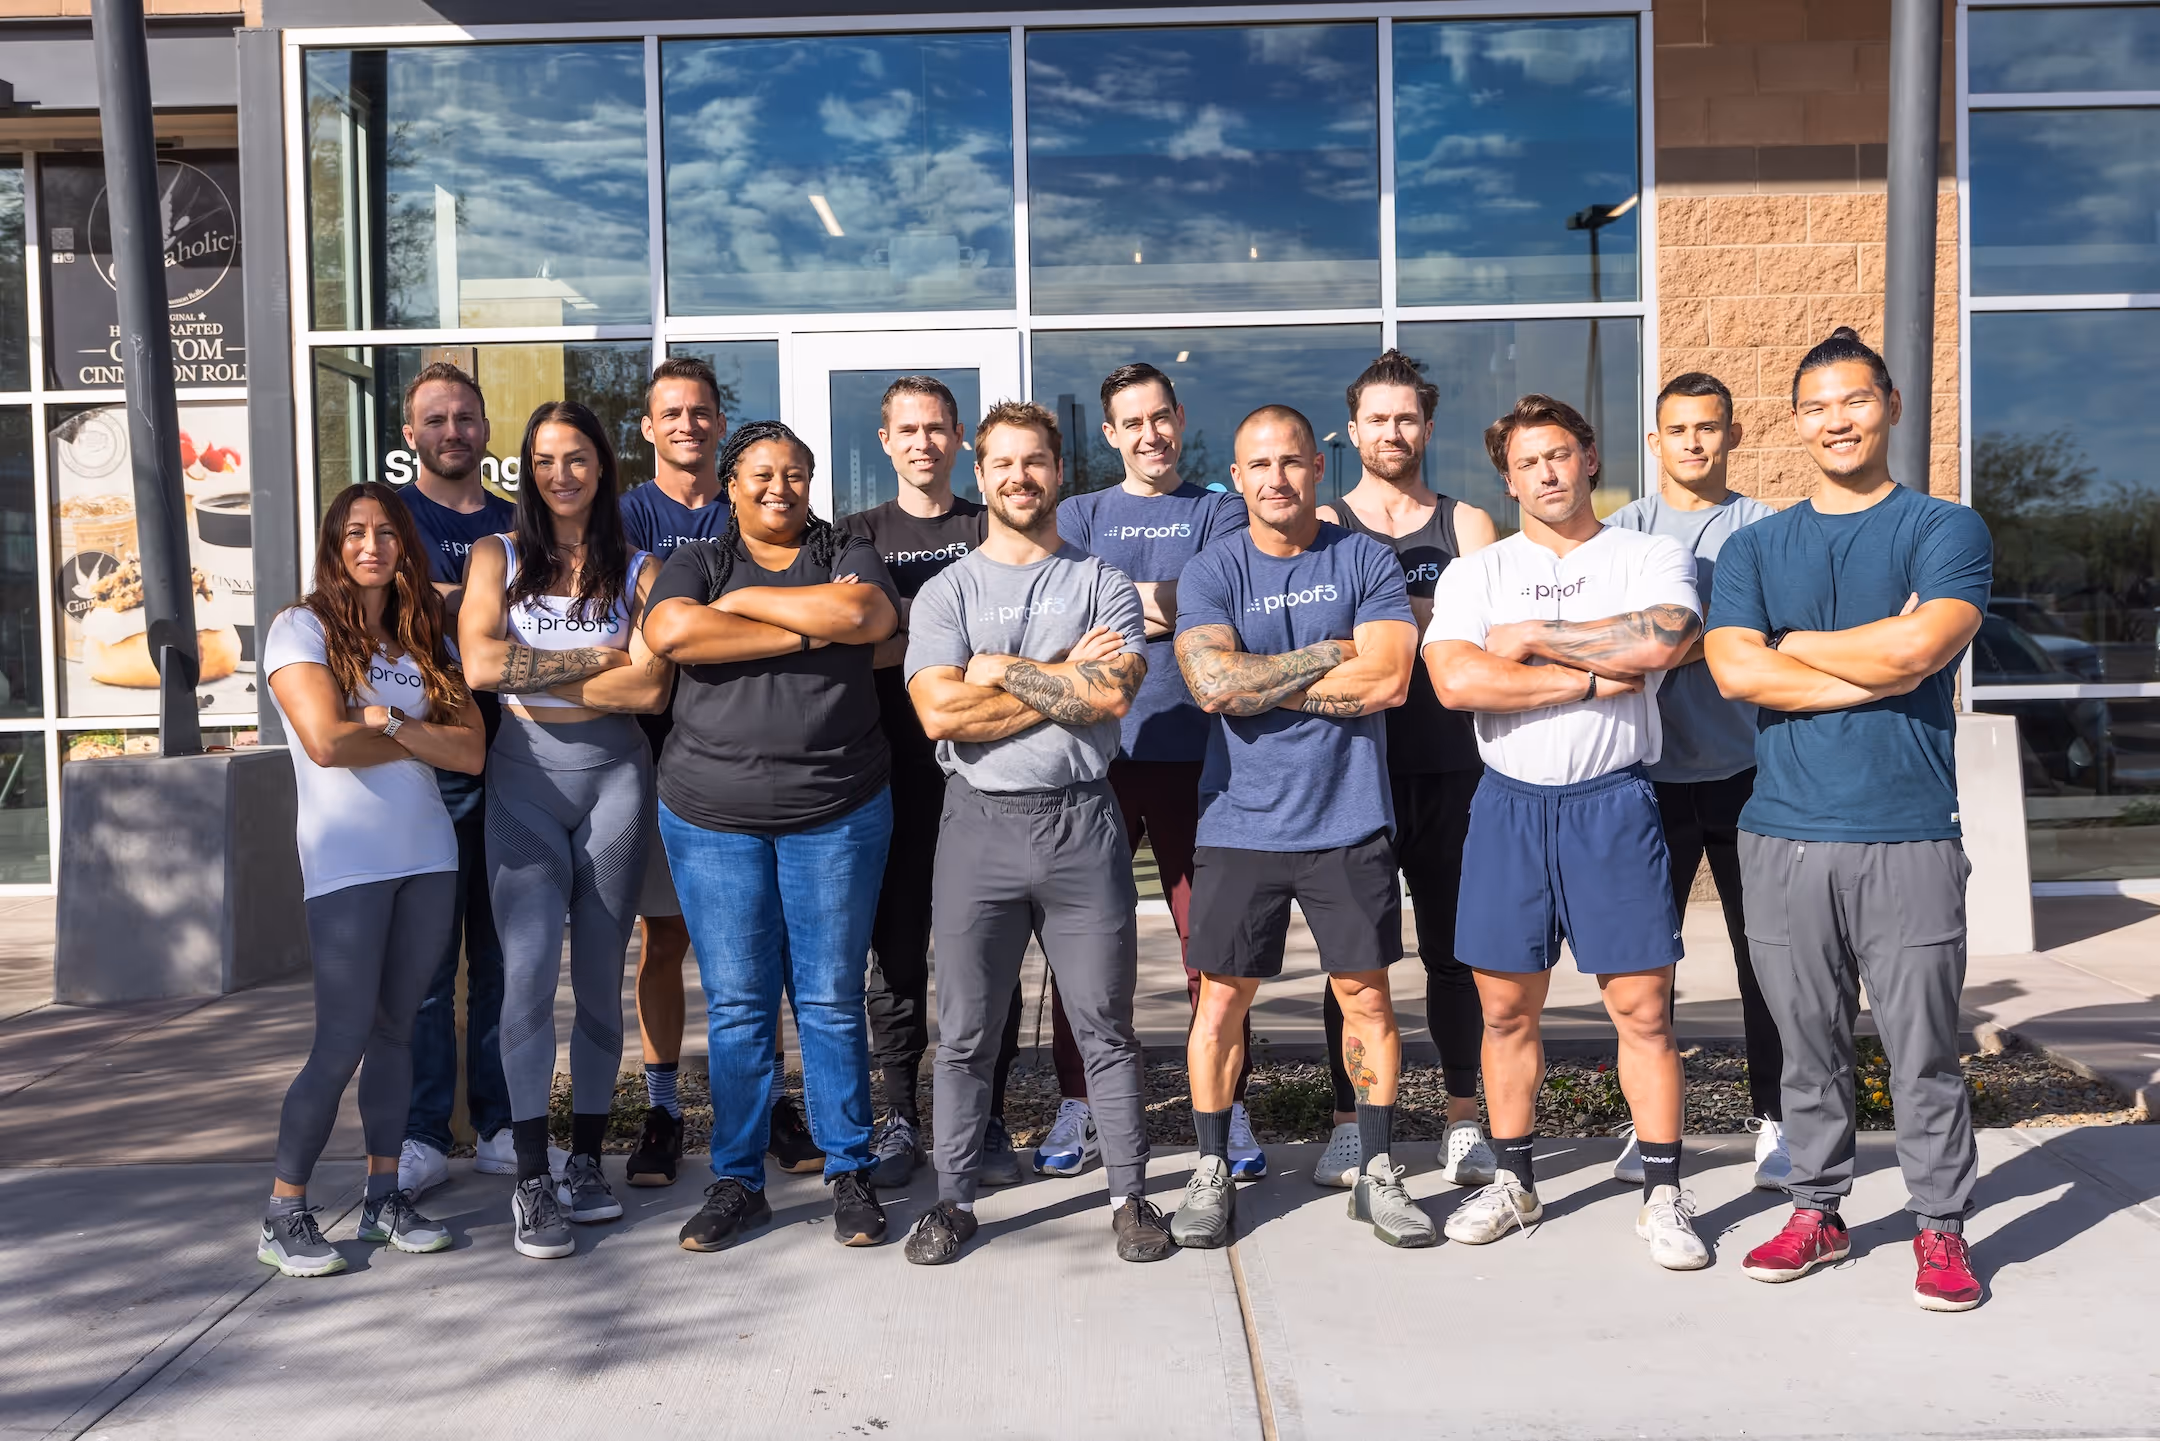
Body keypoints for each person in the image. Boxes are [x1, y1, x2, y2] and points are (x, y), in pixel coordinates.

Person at [1706, 328, 1992, 1312]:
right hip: (1781, 833)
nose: (1837, 419)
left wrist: (1798, 650)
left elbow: (1925, 651)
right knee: (1807, 1048)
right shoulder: (1752, 546)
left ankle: (1941, 1230)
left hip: (1907, 830)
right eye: (1818, 406)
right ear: (1797, 422)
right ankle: (1818, 1209)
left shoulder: (1946, 529)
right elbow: (1736, 670)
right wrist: (1874, 654)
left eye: (1855, 400)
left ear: (1892, 406)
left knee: (1922, 1052)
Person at [1422, 393, 1710, 1271]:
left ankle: (1663, 1192)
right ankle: (1513, 1180)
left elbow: (1663, 639)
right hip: (1509, 803)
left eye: (1560, 454)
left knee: (1643, 1011)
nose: (1546, 471)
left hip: (1612, 802)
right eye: (1527, 461)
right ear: (1507, 478)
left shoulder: (1648, 552)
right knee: (1505, 1008)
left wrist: (1531, 639)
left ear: (1589, 457)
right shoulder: (1476, 572)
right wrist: (1589, 676)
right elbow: (1457, 681)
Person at [901, 399, 1173, 1266]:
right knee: (968, 1029)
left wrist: (1001, 672)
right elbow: (938, 709)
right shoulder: (949, 590)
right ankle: (953, 1201)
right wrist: (1063, 676)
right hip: (978, 825)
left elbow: (1111, 696)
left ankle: (1130, 1195)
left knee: (1105, 1022)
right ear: (981, 477)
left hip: (1081, 821)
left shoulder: (1103, 582)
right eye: (1004, 464)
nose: (1020, 477)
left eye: (1036, 462)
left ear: (1060, 473)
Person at [1168, 404, 1427, 1252]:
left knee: (1367, 1001)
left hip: (1346, 821)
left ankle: (1376, 1169)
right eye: (1258, 465)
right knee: (1221, 1007)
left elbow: (1388, 681)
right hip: (1239, 824)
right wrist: (1328, 652)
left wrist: (1259, 678)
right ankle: (1210, 1171)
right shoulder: (1212, 569)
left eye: (1291, 461)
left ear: (1318, 466)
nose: (1276, 478)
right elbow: (1210, 684)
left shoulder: (1364, 558)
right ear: (1236, 477)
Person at [643, 420, 900, 1254]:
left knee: (828, 998)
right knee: (740, 1006)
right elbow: (673, 632)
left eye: (794, 473)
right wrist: (811, 630)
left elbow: (867, 611)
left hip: (838, 806)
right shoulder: (699, 559)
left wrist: (747, 608)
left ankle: (848, 1168)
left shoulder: (845, 546)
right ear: (730, 485)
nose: (778, 487)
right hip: (713, 815)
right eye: (760, 474)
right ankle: (737, 1179)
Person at [258, 482, 485, 1276]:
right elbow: (324, 741)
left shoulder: (426, 635)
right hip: (347, 858)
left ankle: (385, 1197)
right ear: (333, 542)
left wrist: (384, 722)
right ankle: (285, 1209)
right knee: (342, 1038)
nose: (371, 546)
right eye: (355, 532)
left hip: (428, 852)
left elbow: (472, 751)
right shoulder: (301, 626)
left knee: (397, 1033)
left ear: (405, 545)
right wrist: (416, 733)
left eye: (386, 533)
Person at [461, 402, 671, 1260]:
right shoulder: (496, 555)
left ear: (602, 467)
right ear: (526, 469)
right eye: (545, 460)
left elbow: (653, 688)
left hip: (618, 781)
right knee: (523, 981)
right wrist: (596, 660)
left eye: (577, 458)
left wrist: (537, 673)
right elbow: (479, 664)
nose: (561, 474)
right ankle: (531, 1176)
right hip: (525, 787)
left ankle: (586, 1159)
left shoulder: (642, 566)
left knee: (596, 981)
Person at [1048, 362, 1258, 1178]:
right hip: (1097, 759)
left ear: (1179, 416)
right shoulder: (1078, 511)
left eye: (1160, 417)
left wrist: (1113, 604)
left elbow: (1219, 606)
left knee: (1212, 943)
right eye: (1131, 423)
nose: (1150, 434)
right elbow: (1058, 613)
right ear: (1110, 434)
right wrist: (1164, 603)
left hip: (1204, 762)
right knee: (1086, 943)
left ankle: (1227, 1109)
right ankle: (1080, 1105)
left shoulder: (1221, 509)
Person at [616, 357, 821, 1186]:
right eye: (671, 413)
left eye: (701, 412)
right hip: (659, 748)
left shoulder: (768, 504)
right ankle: (662, 1106)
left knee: (757, 945)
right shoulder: (626, 515)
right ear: (647, 426)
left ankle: (770, 1103)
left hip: (753, 753)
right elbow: (660, 626)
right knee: (664, 937)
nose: (687, 425)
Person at [1313, 348, 1500, 1190]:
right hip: (1353, 771)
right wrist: (1421, 617)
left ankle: (1464, 1119)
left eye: (1406, 417)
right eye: (1377, 418)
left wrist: (1380, 624)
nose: (1392, 431)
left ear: (1427, 426)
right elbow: (1316, 643)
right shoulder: (1322, 523)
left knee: (1456, 953)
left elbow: (1481, 639)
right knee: (1354, 959)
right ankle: (1354, 1123)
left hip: (1454, 768)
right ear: (1352, 431)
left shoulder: (1467, 525)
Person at [837, 376, 1028, 1191]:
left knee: (989, 957)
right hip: (891, 772)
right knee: (897, 956)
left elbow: (1021, 634)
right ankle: (899, 1117)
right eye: (907, 429)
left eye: (937, 429)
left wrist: (910, 629)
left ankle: (984, 1119)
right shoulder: (856, 534)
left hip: (991, 770)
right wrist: (948, 641)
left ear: (959, 442)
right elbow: (855, 642)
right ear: (885, 440)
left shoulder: (991, 524)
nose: (922, 442)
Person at [1607, 370, 1788, 1192]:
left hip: (1750, 773)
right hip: (1647, 776)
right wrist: (1706, 637)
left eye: (1709, 426)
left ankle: (1776, 1123)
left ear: (1732, 434)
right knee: (1648, 965)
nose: (1693, 441)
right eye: (1678, 429)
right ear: (1655, 441)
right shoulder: (1625, 532)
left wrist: (1670, 638)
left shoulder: (1764, 528)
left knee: (1766, 959)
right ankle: (1649, 1123)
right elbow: (1609, 641)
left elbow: (1777, 643)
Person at [390, 363, 519, 1199]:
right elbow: (376, 604)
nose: (452, 430)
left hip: (516, 757)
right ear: (412, 436)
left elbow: (522, 615)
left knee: (506, 954)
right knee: (429, 964)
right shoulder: (391, 518)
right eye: (434, 418)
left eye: (465, 417)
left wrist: (451, 605)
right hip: (426, 765)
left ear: (483, 429)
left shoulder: (518, 521)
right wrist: (471, 601)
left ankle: (503, 1121)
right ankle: (424, 1133)